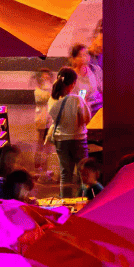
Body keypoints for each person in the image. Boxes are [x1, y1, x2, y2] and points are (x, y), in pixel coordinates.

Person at [47, 67, 89, 197]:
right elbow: (86, 119)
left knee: (65, 174)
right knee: (84, 172)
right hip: (78, 139)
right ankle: (84, 201)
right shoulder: (77, 99)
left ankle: (65, 204)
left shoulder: (52, 100)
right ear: (72, 84)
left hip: (61, 141)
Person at [67, 44, 104, 117]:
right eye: (81, 56)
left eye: (86, 54)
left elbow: (101, 88)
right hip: (83, 112)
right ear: (74, 59)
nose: (85, 57)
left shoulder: (95, 70)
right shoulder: (71, 76)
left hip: (98, 107)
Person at [30, 69, 55, 176]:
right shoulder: (38, 91)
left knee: (48, 146)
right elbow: (46, 97)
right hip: (42, 121)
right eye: (45, 78)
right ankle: (37, 167)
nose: (47, 79)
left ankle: (45, 169)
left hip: (49, 120)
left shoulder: (49, 89)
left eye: (48, 77)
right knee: (41, 143)